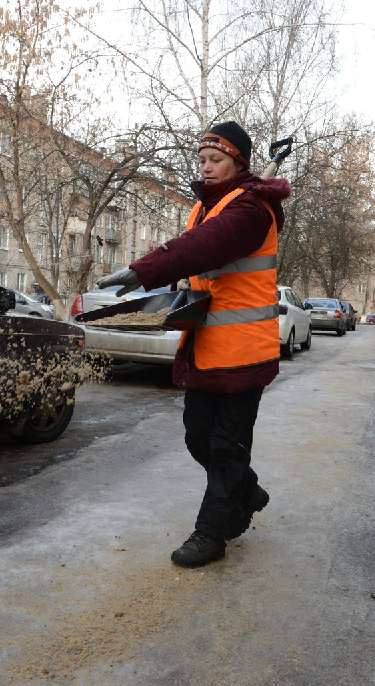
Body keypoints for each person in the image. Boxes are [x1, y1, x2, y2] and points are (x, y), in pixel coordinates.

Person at [96, 121, 290, 567]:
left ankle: (213, 533)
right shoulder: (208, 206)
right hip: (205, 347)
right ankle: (247, 490)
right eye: (201, 160)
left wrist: (146, 268)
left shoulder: (253, 208)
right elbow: (200, 259)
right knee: (197, 438)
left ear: (238, 162)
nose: (205, 167)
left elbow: (206, 246)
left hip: (244, 351)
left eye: (215, 160)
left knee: (226, 447)